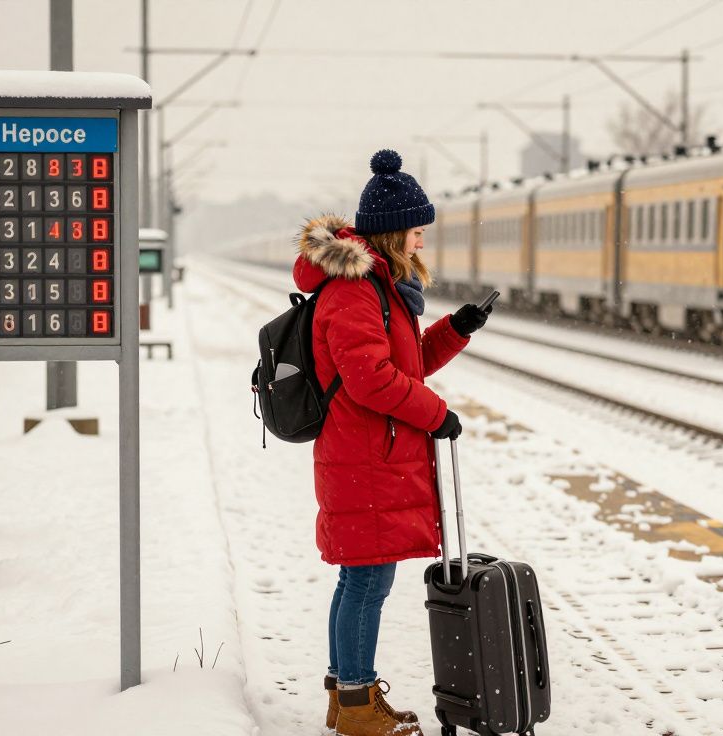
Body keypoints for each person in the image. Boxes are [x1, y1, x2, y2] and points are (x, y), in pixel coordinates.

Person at [292, 149, 491, 736]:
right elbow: (371, 379)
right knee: (367, 581)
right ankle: (357, 706)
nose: (422, 241)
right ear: (392, 232)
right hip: (365, 457)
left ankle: (345, 696)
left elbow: (404, 365)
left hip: (367, 454)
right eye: (417, 230)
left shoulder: (379, 287)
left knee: (359, 578)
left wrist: (454, 330)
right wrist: (437, 415)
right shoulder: (355, 290)